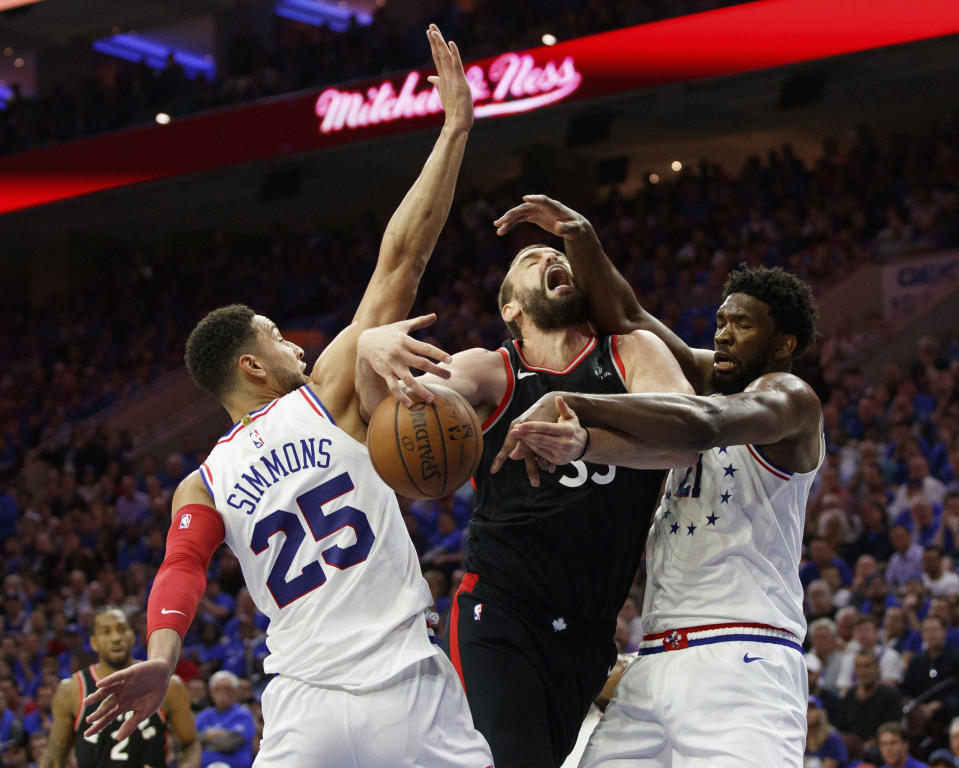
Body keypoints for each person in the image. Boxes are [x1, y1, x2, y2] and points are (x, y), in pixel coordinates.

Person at [81, 26, 493, 768]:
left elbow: (182, 568)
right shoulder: (326, 394)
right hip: (405, 687)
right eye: (277, 336)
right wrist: (454, 131)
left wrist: (161, 654)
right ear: (252, 364)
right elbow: (403, 257)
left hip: (304, 707)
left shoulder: (199, 481)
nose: (296, 344)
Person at [355, 199, 692, 767]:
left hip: (588, 632)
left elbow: (688, 437)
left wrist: (588, 442)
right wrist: (368, 350)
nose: (547, 256)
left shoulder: (632, 350)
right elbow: (390, 423)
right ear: (511, 308)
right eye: (531, 259)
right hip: (501, 612)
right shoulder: (492, 368)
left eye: (555, 254)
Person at [490, 197, 823, 767]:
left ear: (784, 344)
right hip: (655, 656)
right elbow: (629, 319)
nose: (722, 336)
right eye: (720, 321)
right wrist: (581, 236)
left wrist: (577, 403)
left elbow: (705, 425)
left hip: (742, 656)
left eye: (742, 326)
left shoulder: (789, 400)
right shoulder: (705, 377)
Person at [42, 605, 199, 768]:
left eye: (122, 629)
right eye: (106, 631)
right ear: (93, 642)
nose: (116, 638)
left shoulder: (167, 684)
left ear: (132, 635)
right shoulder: (71, 690)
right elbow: (55, 756)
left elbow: (190, 744)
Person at [835, 651, 903, 753]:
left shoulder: (890, 695)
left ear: (877, 668)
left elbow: (892, 728)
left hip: (880, 749)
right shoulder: (850, 695)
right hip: (852, 749)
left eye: (867, 666)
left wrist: (869, 745)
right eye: (859, 667)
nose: (863, 672)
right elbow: (842, 728)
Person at [194, 671, 255, 768]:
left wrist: (204, 741)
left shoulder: (243, 714)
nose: (223, 692)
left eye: (227, 689)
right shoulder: (204, 715)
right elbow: (191, 739)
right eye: (218, 689)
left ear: (235, 692)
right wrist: (211, 735)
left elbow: (229, 743)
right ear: (211, 693)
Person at [806, 695, 849, 768]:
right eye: (805, 709)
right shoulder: (799, 738)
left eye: (812, 709)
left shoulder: (832, 738)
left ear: (821, 713)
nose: (807, 713)